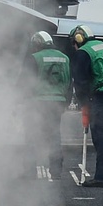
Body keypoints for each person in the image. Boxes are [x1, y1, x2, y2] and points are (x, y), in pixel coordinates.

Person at [69, 25, 103, 188]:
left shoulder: (83, 52)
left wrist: (83, 104)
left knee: (101, 136)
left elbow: (80, 82)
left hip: (102, 95)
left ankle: (102, 177)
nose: (74, 46)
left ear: (79, 38)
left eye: (74, 43)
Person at [27, 31, 71, 177]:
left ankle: (30, 170)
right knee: (54, 134)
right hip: (58, 102)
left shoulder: (34, 58)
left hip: (39, 102)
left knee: (32, 134)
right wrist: (66, 101)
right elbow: (68, 81)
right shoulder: (64, 58)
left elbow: (26, 81)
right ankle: (56, 170)